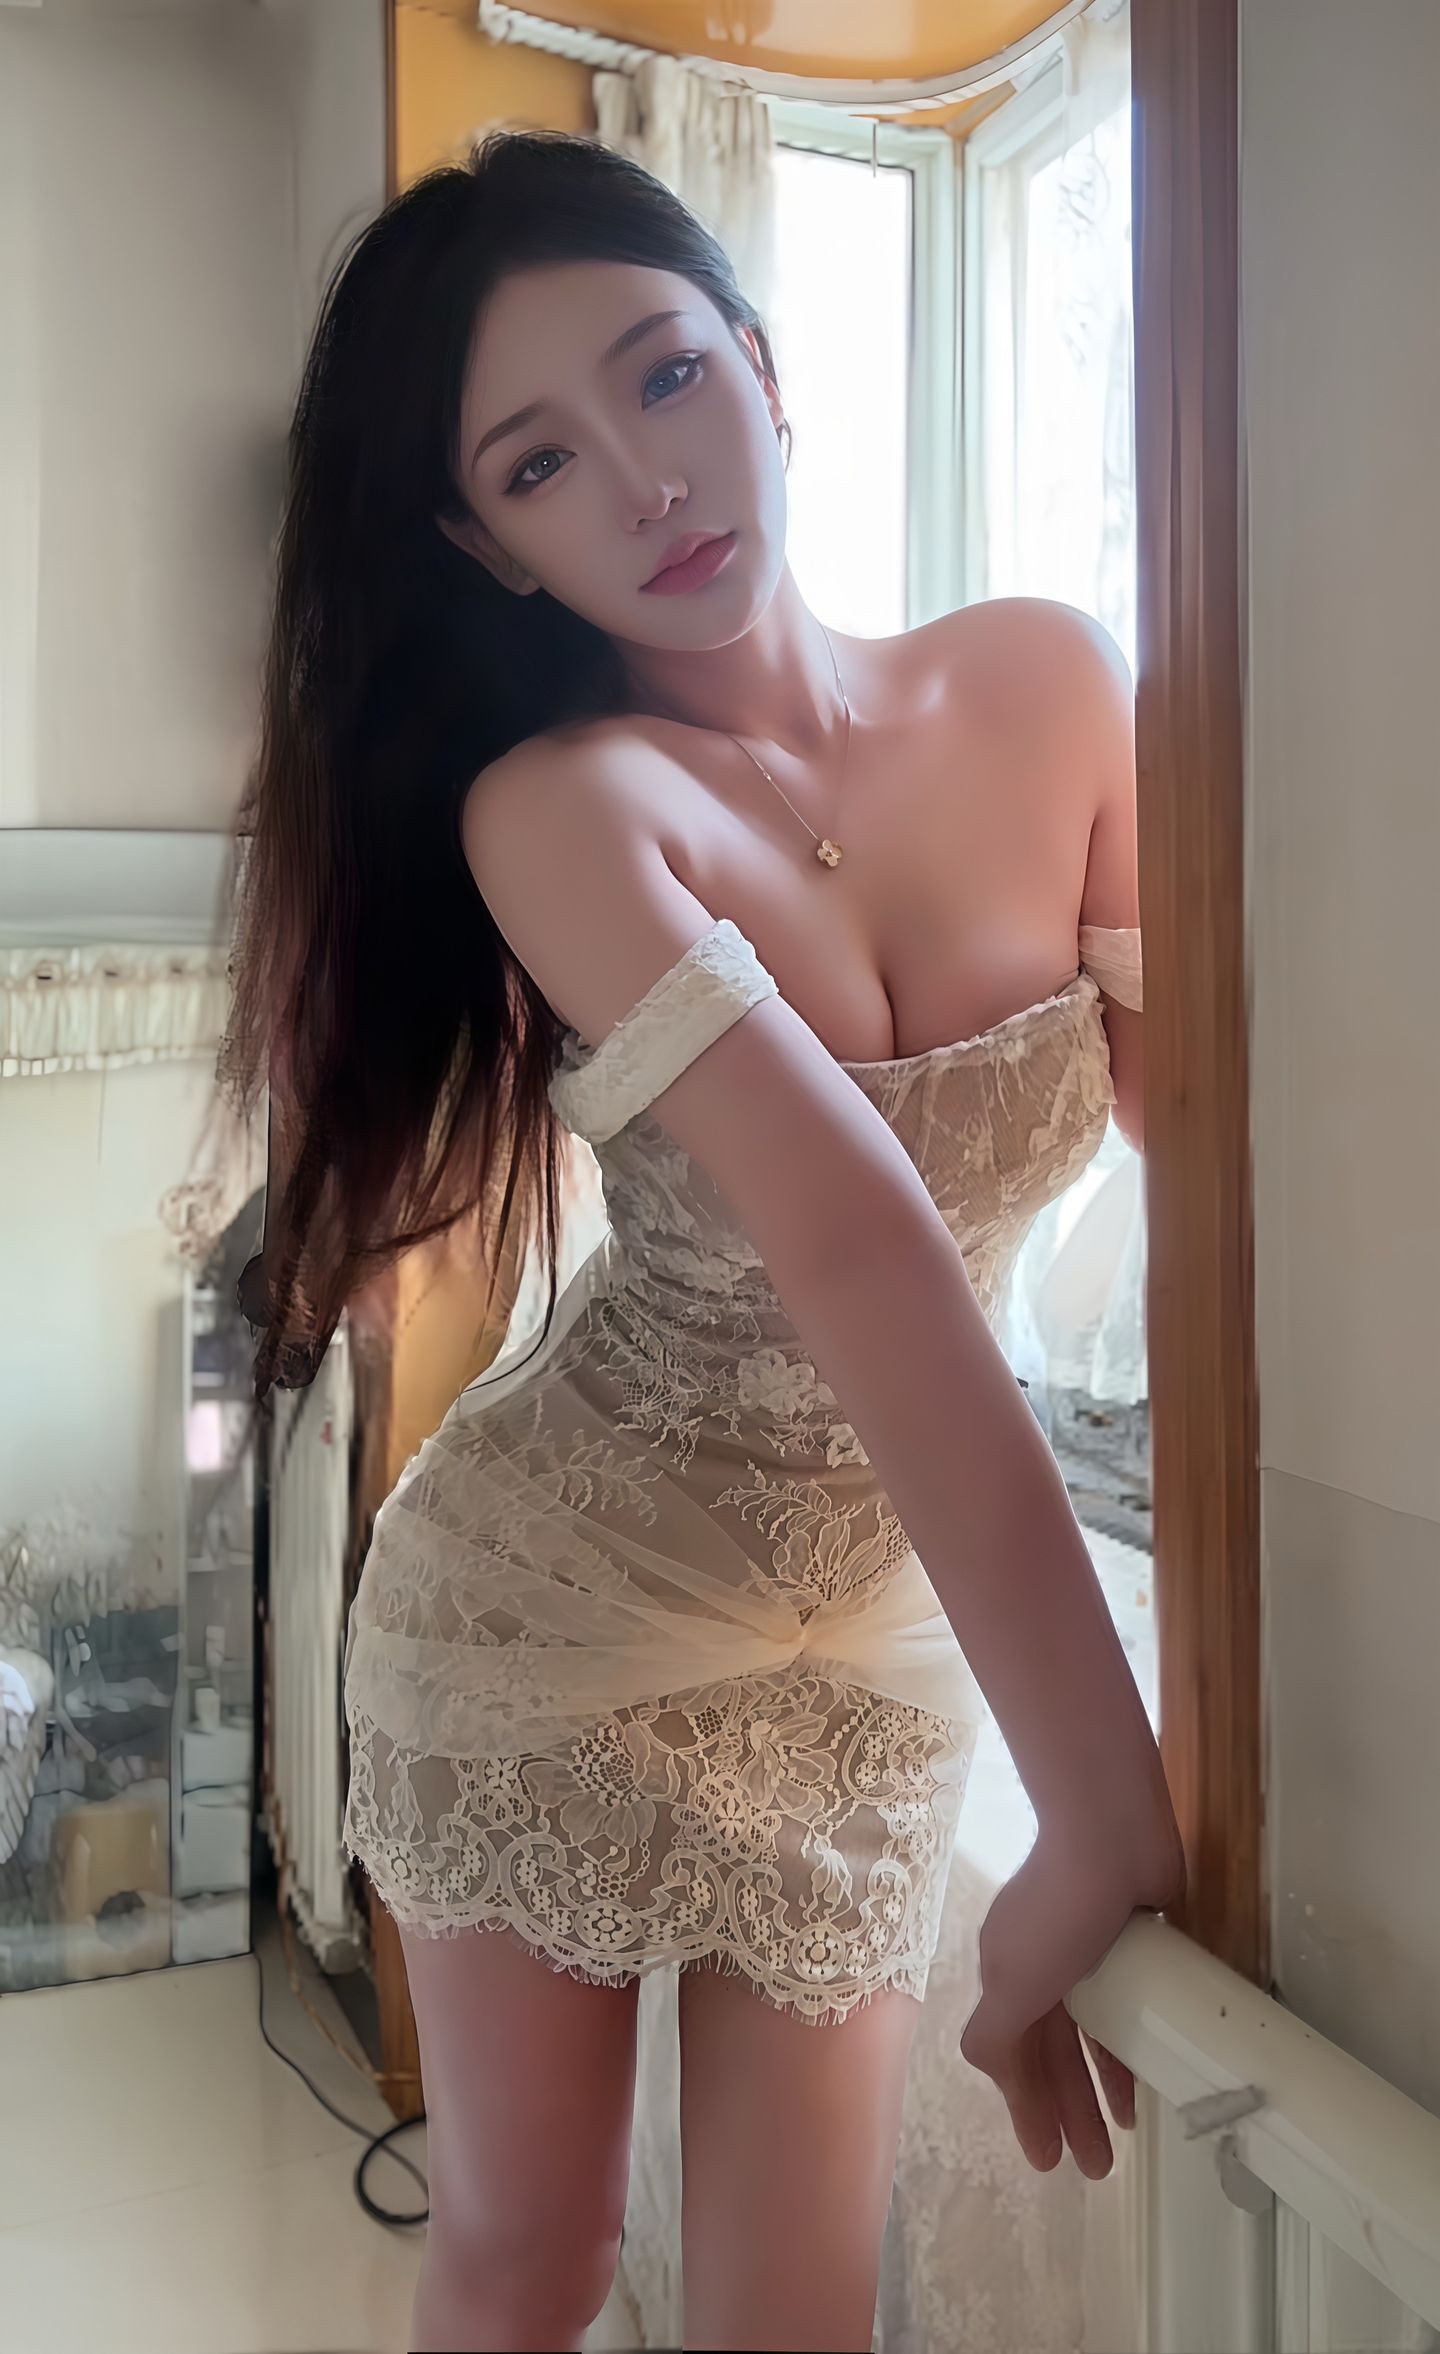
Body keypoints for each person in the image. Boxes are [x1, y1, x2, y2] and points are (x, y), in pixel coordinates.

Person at [223, 127, 1185, 2354]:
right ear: (488, 544)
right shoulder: (566, 811)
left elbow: (1213, 1153)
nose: (647, 480)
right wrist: (1102, 1797)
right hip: (553, 1606)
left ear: (763, 363)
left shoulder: (1050, 681)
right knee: (532, 2259)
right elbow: (861, 1257)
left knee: (796, 2317)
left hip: (868, 1647)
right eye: (540, 463)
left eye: (664, 375)